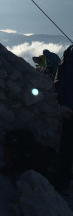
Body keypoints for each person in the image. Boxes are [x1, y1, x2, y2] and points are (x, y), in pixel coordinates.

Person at [54, 45, 73, 192]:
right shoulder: (69, 51)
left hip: (68, 104)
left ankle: (63, 181)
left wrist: (60, 99)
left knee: (66, 145)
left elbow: (60, 77)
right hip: (68, 104)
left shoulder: (69, 51)